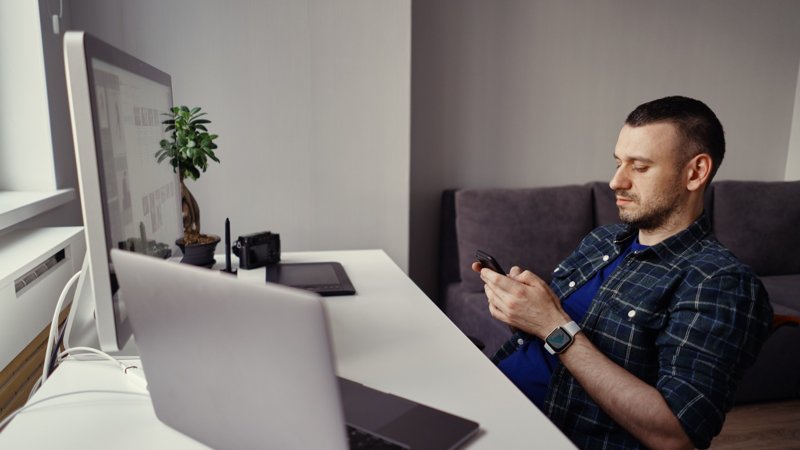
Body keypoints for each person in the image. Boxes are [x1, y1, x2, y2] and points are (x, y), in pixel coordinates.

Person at [472, 96, 773, 450]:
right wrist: (523, 312)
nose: (616, 181)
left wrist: (554, 328)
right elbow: (550, 331)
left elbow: (677, 435)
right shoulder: (603, 240)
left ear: (695, 172)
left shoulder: (720, 283)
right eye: (618, 163)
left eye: (640, 167)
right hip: (491, 404)